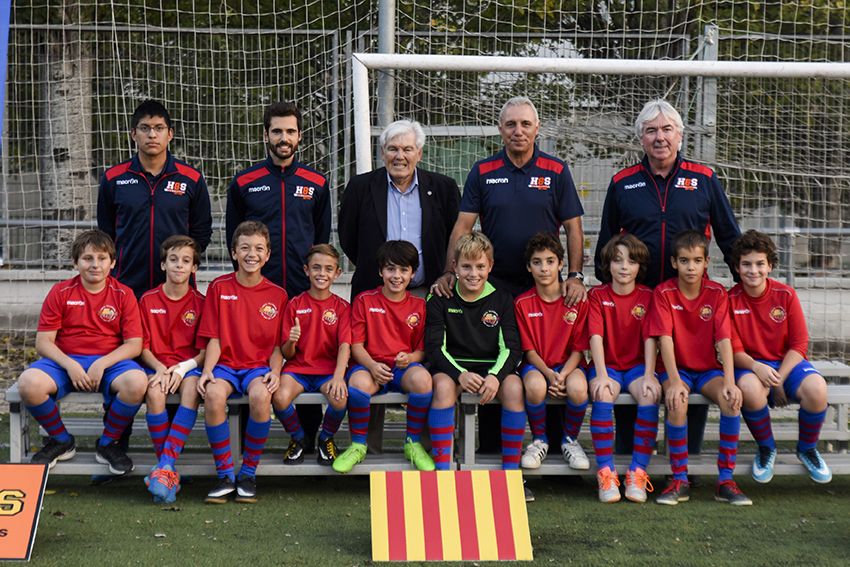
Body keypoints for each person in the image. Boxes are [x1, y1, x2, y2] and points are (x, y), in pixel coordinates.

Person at [431, 96, 586, 456]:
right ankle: (490, 453)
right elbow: (463, 225)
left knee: (546, 363)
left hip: (543, 285)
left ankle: (556, 444)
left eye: (525, 124)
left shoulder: (556, 170)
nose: (518, 131)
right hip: (494, 287)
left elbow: (574, 229)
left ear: (537, 128)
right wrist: (449, 271)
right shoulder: (483, 171)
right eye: (511, 124)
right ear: (501, 129)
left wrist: (575, 275)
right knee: (497, 366)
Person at [594, 98, 741, 459]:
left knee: (688, 374)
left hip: (689, 304)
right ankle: (632, 458)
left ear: (680, 135)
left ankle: (685, 461)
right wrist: (606, 286)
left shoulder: (704, 179)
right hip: (638, 304)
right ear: (640, 139)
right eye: (651, 131)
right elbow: (607, 241)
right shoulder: (622, 182)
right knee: (636, 376)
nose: (659, 137)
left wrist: (744, 285)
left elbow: (728, 235)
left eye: (666, 130)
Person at [226, 101, 329, 448]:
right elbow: (233, 239)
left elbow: (321, 240)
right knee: (250, 359)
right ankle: (242, 441)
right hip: (256, 292)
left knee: (305, 359)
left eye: (290, 131)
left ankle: (306, 441)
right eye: (276, 131)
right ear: (266, 134)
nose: (283, 138)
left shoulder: (316, 183)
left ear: (300, 136)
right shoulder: (244, 182)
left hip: (302, 290)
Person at [16, 229, 147, 475]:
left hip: (110, 362)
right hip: (65, 361)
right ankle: (61, 440)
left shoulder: (124, 294)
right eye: (88, 258)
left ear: (113, 263)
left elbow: (134, 344)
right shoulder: (61, 292)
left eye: (101, 258)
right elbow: (44, 342)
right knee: (28, 383)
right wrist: (70, 365)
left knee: (137, 382)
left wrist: (101, 364)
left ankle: (108, 443)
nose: (95, 265)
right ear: (76, 262)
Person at [649, 230, 751, 506]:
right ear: (674, 263)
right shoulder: (664, 293)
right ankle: (679, 478)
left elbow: (725, 339)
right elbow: (665, 340)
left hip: (708, 371)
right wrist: (673, 380)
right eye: (684, 260)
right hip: (676, 370)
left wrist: (730, 381)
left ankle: (726, 480)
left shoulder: (717, 293)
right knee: (677, 400)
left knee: (732, 401)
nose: (690, 267)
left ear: (707, 262)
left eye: (696, 260)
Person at [730, 230, 832, 484]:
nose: (753, 270)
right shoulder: (729, 299)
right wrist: (758, 368)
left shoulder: (785, 295)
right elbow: (732, 350)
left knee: (818, 389)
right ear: (737, 267)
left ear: (770, 266)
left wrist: (778, 378)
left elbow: (799, 344)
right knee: (750, 391)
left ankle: (807, 449)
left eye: (760, 264)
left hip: (786, 365)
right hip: (751, 366)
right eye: (746, 264)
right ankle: (767, 448)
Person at [197, 221, 287, 504]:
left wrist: (275, 371)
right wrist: (208, 370)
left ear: (268, 255)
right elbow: (213, 338)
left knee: (261, 395)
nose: (252, 254)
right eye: (245, 247)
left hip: (257, 368)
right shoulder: (218, 287)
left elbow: (277, 346)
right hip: (224, 366)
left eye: (259, 248)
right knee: (212, 394)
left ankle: (248, 473)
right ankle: (225, 474)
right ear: (234, 252)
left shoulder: (278, 294)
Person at [425, 232, 524, 479]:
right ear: (454, 266)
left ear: (490, 266)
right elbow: (435, 348)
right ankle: (442, 472)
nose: (473, 273)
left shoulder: (501, 299)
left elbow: (512, 348)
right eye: (466, 266)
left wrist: (495, 376)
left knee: (513, 388)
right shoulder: (439, 298)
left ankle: (511, 474)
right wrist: (459, 374)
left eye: (480, 266)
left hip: (491, 367)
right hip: (454, 367)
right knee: (442, 387)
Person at [333, 240, 434, 473]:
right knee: (357, 383)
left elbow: (422, 350)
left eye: (403, 270)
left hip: (402, 368)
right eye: (390, 269)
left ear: (413, 273)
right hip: (370, 366)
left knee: (423, 380)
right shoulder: (365, 300)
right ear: (380, 271)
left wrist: (410, 358)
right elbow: (356, 345)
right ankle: (359, 445)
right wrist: (372, 365)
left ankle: (413, 443)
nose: (396, 275)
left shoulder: (420, 305)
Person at [97, 100, 212, 299]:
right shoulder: (113, 178)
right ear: (133, 134)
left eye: (159, 128)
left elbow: (201, 232)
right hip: (125, 285)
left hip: (176, 287)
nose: (152, 135)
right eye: (145, 128)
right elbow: (106, 233)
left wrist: (180, 263)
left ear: (170, 134)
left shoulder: (191, 178)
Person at [339, 119, 460, 298]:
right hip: (374, 295)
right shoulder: (360, 187)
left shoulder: (444, 188)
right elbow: (348, 238)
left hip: (429, 293)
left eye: (407, 149)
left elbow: (457, 236)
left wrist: (448, 272)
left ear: (419, 154)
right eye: (393, 149)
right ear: (382, 152)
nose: (399, 156)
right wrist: (373, 267)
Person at [586, 234, 660, 503]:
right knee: (603, 394)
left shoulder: (649, 296)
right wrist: (602, 374)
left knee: (650, 394)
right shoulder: (597, 295)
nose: (624, 267)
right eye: (617, 261)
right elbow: (596, 336)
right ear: (608, 265)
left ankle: (638, 472)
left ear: (640, 266)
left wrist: (650, 375)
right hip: (608, 366)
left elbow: (651, 338)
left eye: (631, 261)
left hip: (639, 367)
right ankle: (606, 473)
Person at [515, 233, 590, 476]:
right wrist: (549, 375)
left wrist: (563, 374)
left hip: (569, 365)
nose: (544, 268)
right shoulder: (522, 303)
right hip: (538, 367)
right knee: (535, 386)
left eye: (550, 261)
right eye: (537, 262)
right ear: (528, 267)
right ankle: (540, 440)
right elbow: (528, 350)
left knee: (579, 387)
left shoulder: (576, 300)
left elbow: (580, 348)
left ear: (560, 264)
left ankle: (570, 440)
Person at [140, 235, 207, 503]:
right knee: (154, 393)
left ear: (194, 268)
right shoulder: (146, 300)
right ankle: (167, 468)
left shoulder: (202, 303)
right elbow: (141, 346)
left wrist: (180, 369)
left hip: (188, 368)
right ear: (163, 264)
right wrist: (160, 368)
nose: (179, 265)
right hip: (157, 367)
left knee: (192, 389)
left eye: (186, 261)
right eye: (173, 259)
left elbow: (204, 353)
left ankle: (164, 466)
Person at [273, 244, 351, 467]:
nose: (322, 273)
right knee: (278, 396)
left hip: (327, 371)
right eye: (316, 268)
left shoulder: (342, 307)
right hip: (298, 369)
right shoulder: (295, 304)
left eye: (328, 269)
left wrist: (338, 376)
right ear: (306, 270)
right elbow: (287, 352)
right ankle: (298, 438)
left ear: (337, 273)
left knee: (340, 397)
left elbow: (345, 345)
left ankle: (325, 438)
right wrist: (292, 340)